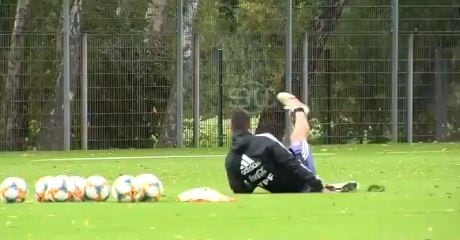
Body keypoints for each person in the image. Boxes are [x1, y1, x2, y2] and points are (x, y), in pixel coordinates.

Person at [225, 92, 324, 193]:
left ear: (231, 129)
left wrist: (254, 178)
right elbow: (290, 161)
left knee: (293, 147)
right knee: (298, 139)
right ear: (249, 126)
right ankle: (298, 109)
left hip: (283, 191)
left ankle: (297, 109)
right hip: (304, 183)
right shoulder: (264, 140)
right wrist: (314, 182)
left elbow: (239, 190)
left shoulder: (231, 161)